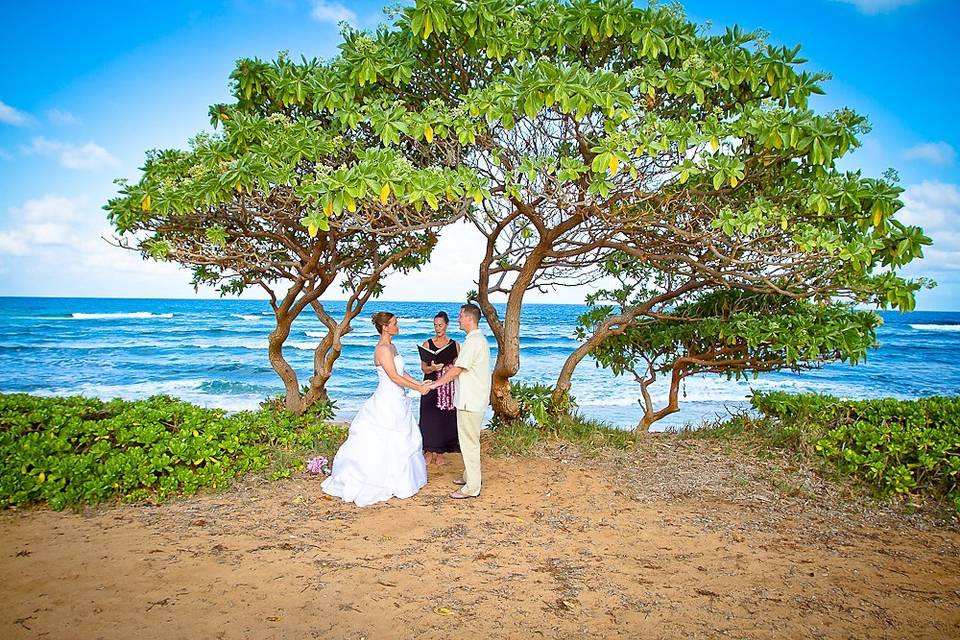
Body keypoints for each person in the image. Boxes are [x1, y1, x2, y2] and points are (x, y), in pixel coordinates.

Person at [321, 311, 430, 507]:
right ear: (385, 327)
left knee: (401, 438)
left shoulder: (392, 346)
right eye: (395, 323)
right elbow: (394, 377)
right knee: (383, 438)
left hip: (398, 398)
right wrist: (418, 388)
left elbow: (401, 372)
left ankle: (401, 478)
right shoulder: (382, 349)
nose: (398, 326)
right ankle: (377, 480)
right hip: (387, 398)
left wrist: (420, 383)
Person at [427, 303, 491, 499]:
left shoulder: (473, 342)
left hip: (470, 401)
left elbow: (457, 369)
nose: (458, 320)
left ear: (469, 319)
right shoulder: (476, 340)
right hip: (472, 399)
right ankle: (469, 476)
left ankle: (472, 487)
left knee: (469, 443)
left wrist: (435, 384)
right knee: (470, 441)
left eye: (460, 316)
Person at [419, 311, 460, 466]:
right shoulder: (427, 344)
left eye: (440, 325)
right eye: (435, 325)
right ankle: (428, 451)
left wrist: (448, 366)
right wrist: (433, 367)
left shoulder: (455, 345)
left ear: (447, 325)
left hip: (447, 385)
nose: (438, 328)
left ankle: (440, 452)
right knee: (429, 417)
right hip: (430, 383)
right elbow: (424, 368)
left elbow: (458, 366)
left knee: (444, 418)